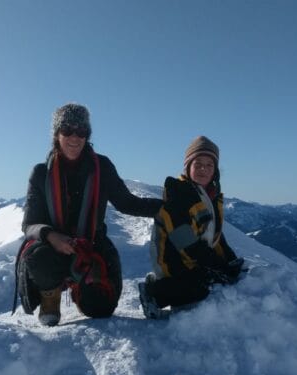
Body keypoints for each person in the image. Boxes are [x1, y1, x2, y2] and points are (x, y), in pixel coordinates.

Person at [15, 103, 163, 326]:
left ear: (87, 135)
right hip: (52, 247)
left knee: (101, 309)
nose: (75, 137)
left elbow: (127, 203)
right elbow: (29, 225)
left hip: (92, 244)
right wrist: (52, 236)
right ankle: (50, 294)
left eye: (81, 131)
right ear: (56, 134)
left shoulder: (101, 166)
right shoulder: (40, 173)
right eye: (67, 130)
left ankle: (81, 286)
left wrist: (165, 207)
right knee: (39, 257)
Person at [139, 136, 244, 319]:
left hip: (195, 258)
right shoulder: (178, 194)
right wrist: (216, 264)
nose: (204, 169)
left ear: (215, 170)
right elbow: (183, 240)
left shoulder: (210, 196)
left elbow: (215, 237)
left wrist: (230, 261)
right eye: (198, 164)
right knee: (201, 286)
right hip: (172, 260)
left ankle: (179, 287)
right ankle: (153, 292)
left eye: (209, 165)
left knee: (223, 279)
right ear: (188, 167)